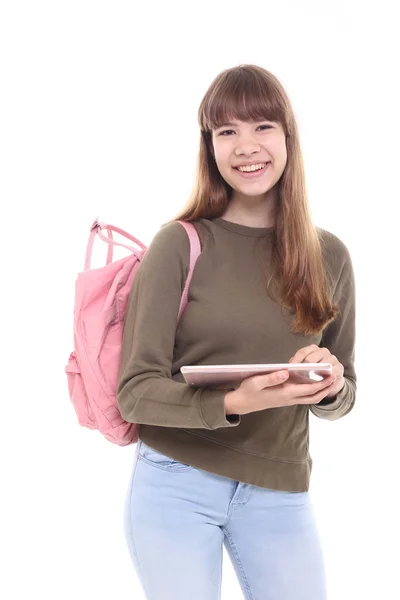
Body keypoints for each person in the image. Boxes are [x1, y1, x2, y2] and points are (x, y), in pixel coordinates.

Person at [116, 64, 356, 600]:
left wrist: (332, 384)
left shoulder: (329, 255)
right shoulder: (178, 245)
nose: (247, 146)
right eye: (227, 131)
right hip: (177, 480)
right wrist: (236, 399)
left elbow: (344, 396)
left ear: (288, 136)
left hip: (280, 486)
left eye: (262, 126)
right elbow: (134, 392)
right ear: (211, 146)